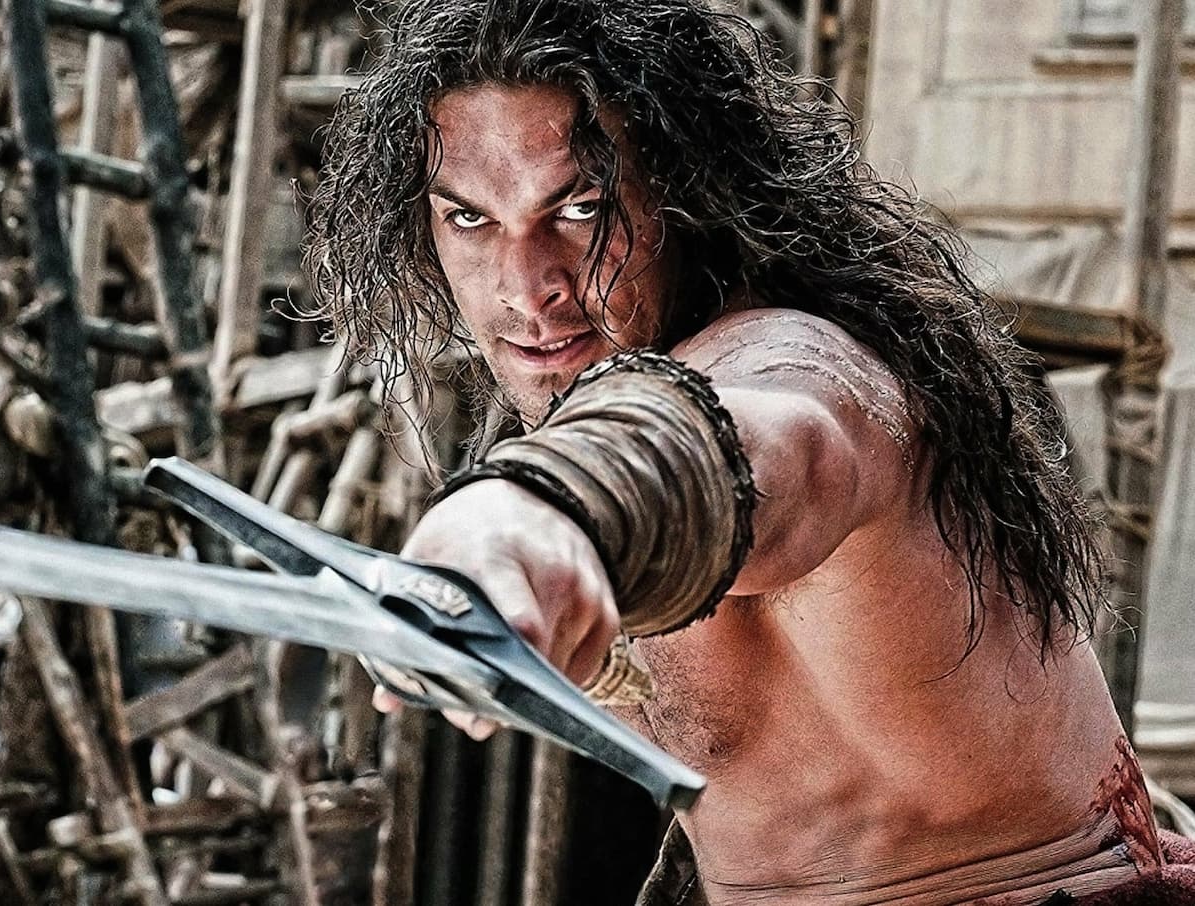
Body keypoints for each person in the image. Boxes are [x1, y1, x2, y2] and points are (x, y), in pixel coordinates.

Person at [301, 1, 1195, 903]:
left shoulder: (798, 361)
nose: (527, 289)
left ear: (690, 197)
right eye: (469, 219)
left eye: (581, 208)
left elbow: (765, 435)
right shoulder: (591, 388)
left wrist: (538, 508)